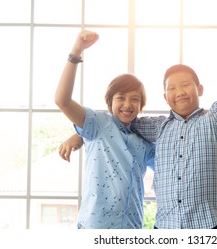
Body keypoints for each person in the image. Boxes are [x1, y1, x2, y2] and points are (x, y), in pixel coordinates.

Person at [59, 13, 217, 229]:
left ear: (199, 88)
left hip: (209, 225)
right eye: (172, 88)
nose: (179, 91)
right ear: (165, 97)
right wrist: (80, 134)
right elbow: (115, 121)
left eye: (186, 85)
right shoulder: (156, 127)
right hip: (163, 228)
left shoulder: (216, 119)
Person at [55, 30, 155, 229]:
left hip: (131, 228)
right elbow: (62, 101)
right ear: (109, 101)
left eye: (134, 99)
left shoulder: (144, 140)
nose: (127, 104)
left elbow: (171, 161)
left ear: (141, 105)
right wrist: (76, 52)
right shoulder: (98, 123)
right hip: (95, 226)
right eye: (120, 98)